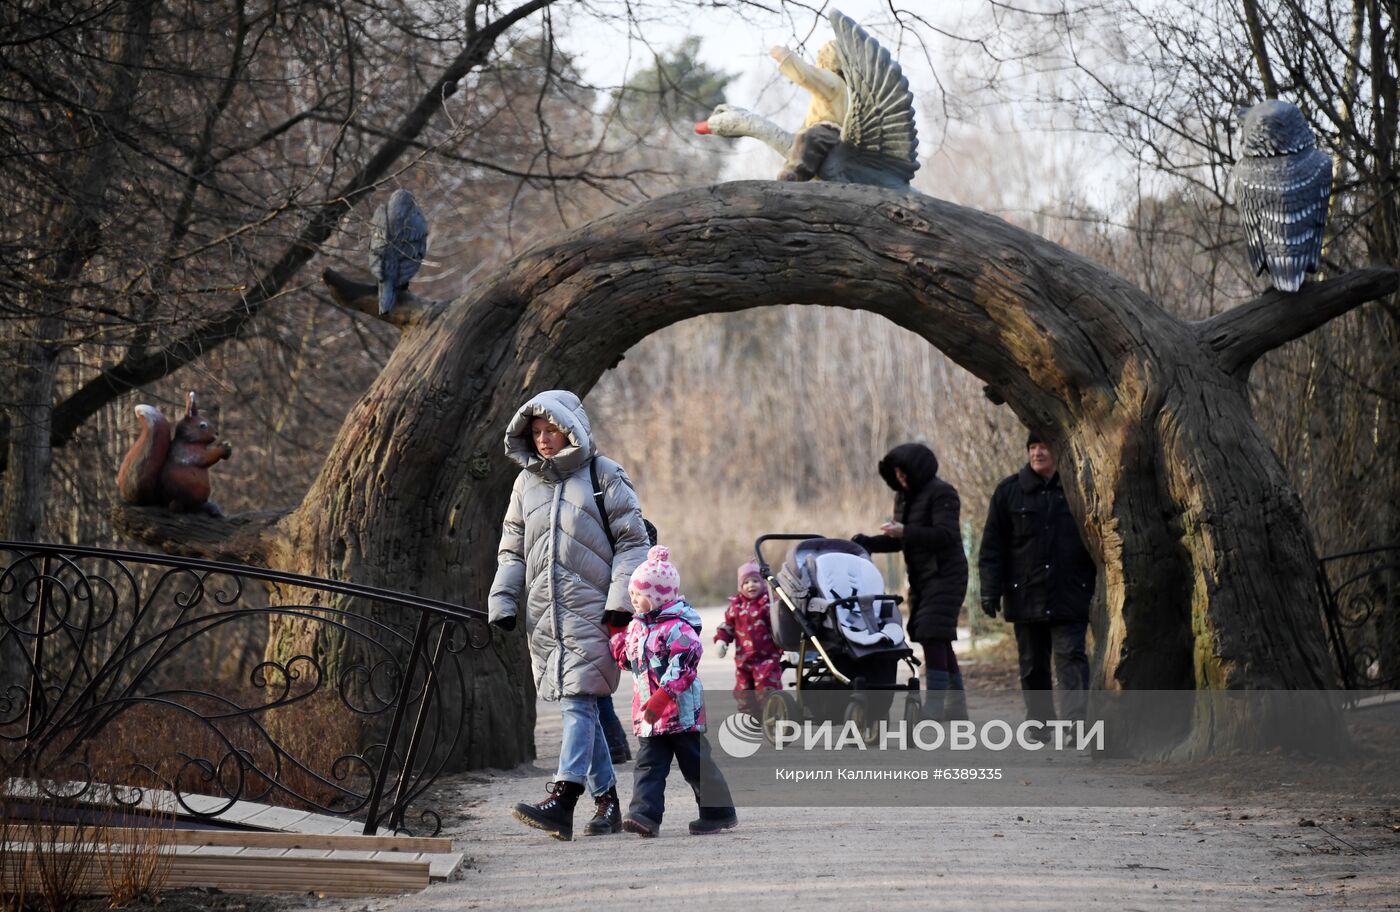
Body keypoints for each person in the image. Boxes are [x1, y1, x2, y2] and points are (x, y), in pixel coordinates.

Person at [488, 389, 650, 841]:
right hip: (545, 616)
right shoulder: (525, 485)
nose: (542, 439)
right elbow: (512, 549)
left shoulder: (604, 474)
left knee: (579, 703)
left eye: (550, 430)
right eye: (535, 433)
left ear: (570, 428)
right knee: (585, 705)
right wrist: (502, 601)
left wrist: (619, 606)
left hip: (595, 612)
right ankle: (608, 802)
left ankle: (563, 796)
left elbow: (633, 545)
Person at [611, 545, 737, 837]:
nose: (633, 599)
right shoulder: (638, 627)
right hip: (650, 715)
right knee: (648, 766)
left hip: (681, 713)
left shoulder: (679, 629)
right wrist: (617, 645)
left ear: (657, 597)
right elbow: (632, 662)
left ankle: (718, 812)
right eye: (632, 594)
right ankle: (644, 815)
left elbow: (685, 664)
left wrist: (664, 696)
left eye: (639, 595)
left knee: (696, 764)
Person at [978, 430, 1097, 732]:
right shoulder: (1008, 492)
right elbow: (992, 548)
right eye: (1033, 446)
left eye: (1043, 445)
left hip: (1070, 592)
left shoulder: (1079, 488)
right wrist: (990, 591)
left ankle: (1076, 725)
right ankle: (1041, 724)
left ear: (1057, 450)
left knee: (1071, 658)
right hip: (1025, 594)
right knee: (1033, 666)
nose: (1037, 452)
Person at [853, 442, 970, 720]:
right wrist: (868, 542)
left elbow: (945, 535)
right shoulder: (903, 498)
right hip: (922, 577)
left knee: (932, 633)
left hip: (946, 574)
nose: (902, 480)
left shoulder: (943, 493)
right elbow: (900, 540)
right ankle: (956, 707)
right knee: (938, 637)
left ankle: (934, 706)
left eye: (905, 474)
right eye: (897, 476)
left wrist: (905, 530)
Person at [715, 560, 782, 715]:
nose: (751, 585)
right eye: (746, 582)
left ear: (763, 583)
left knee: (766, 690)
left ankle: (771, 715)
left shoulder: (768, 604)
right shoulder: (736, 606)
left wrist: (789, 647)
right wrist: (721, 641)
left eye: (755, 581)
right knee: (743, 692)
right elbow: (728, 627)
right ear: (740, 586)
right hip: (743, 660)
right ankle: (749, 717)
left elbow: (779, 628)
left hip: (767, 659)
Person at [769, 41, 847, 130]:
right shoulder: (841, 87)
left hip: (821, 136)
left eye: (822, 53)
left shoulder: (832, 79)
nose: (818, 55)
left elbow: (807, 75)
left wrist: (785, 56)